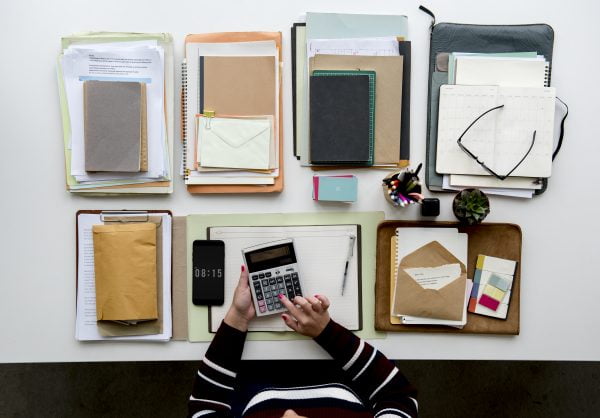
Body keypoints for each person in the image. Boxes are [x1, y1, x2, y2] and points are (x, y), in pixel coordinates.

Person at [188, 266, 418, 418]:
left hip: (256, 381)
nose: (289, 414)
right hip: (346, 378)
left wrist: (237, 317)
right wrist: (328, 332)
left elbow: (206, 404)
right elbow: (398, 396)